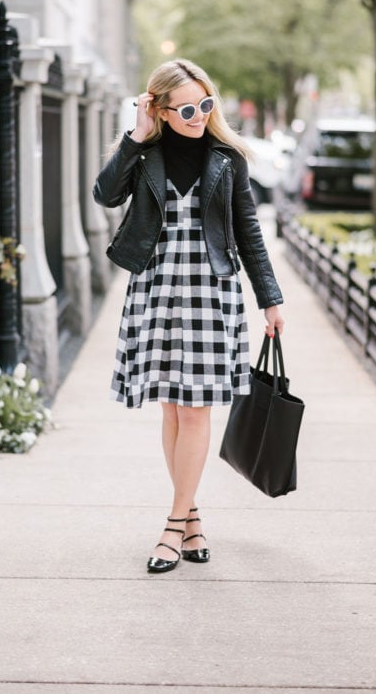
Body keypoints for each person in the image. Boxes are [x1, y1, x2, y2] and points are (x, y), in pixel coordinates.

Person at [93, 58, 284, 574]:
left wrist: (270, 298)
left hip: (210, 291)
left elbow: (249, 230)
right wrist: (135, 137)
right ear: (159, 109)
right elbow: (105, 194)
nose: (198, 115)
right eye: (186, 109)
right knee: (173, 411)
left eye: (205, 104)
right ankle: (192, 515)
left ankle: (174, 525)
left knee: (196, 410)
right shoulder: (144, 154)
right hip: (156, 288)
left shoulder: (227, 158)